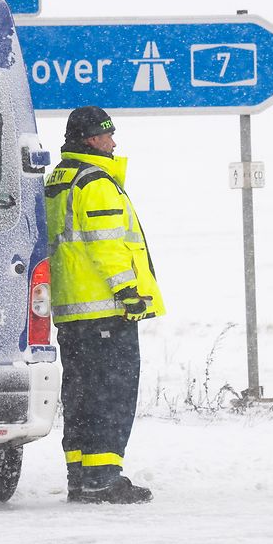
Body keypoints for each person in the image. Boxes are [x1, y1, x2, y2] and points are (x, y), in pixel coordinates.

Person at [44, 106, 164, 504]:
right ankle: (103, 478)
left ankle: (80, 477)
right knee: (111, 395)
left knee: (80, 395)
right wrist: (127, 290)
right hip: (105, 309)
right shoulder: (96, 182)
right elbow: (106, 243)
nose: (113, 142)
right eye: (107, 135)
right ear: (91, 139)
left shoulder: (57, 180)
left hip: (71, 309)